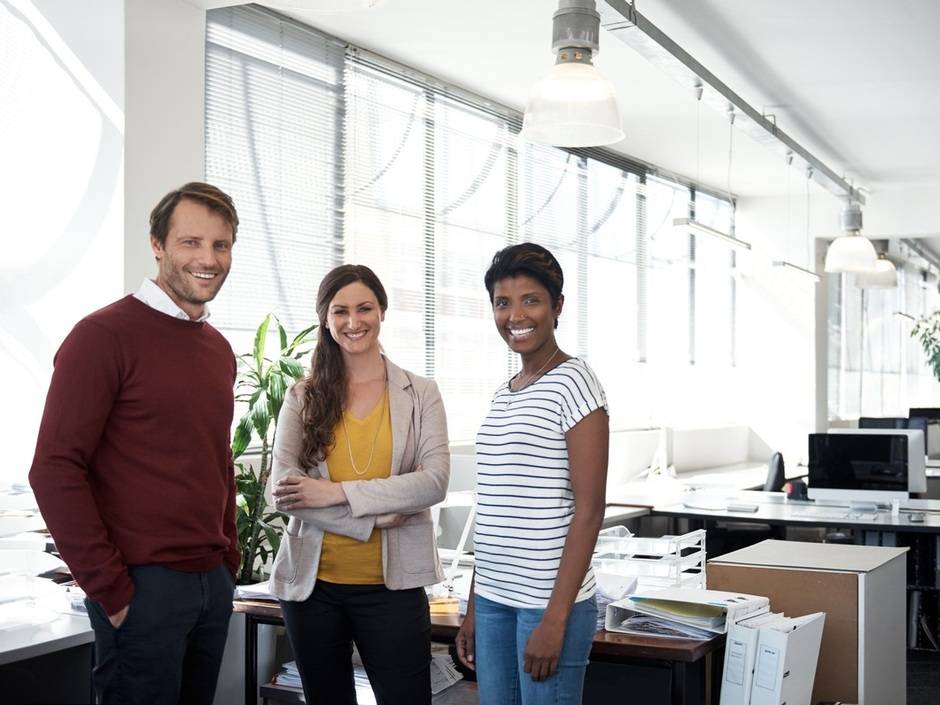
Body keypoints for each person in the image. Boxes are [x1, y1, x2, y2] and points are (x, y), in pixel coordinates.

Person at [29, 183, 241, 705]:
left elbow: (216, 461)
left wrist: (227, 564)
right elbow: (54, 468)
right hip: (141, 589)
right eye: (191, 242)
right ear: (157, 244)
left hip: (209, 585)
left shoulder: (217, 348)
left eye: (221, 245)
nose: (208, 259)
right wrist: (111, 589)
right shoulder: (102, 336)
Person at [269, 264, 450, 705]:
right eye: (341, 311)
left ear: (382, 311)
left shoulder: (420, 393)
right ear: (326, 320)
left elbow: (433, 482)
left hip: (393, 588)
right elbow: (284, 489)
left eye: (364, 308)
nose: (354, 322)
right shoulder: (302, 396)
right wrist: (372, 521)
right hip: (313, 589)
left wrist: (337, 493)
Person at [455, 243, 609, 705]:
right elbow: (496, 512)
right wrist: (473, 607)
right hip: (495, 599)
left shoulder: (575, 382)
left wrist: (556, 619)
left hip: (547, 604)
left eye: (531, 300)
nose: (515, 314)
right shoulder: (504, 396)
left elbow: (589, 511)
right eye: (503, 302)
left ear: (557, 306)